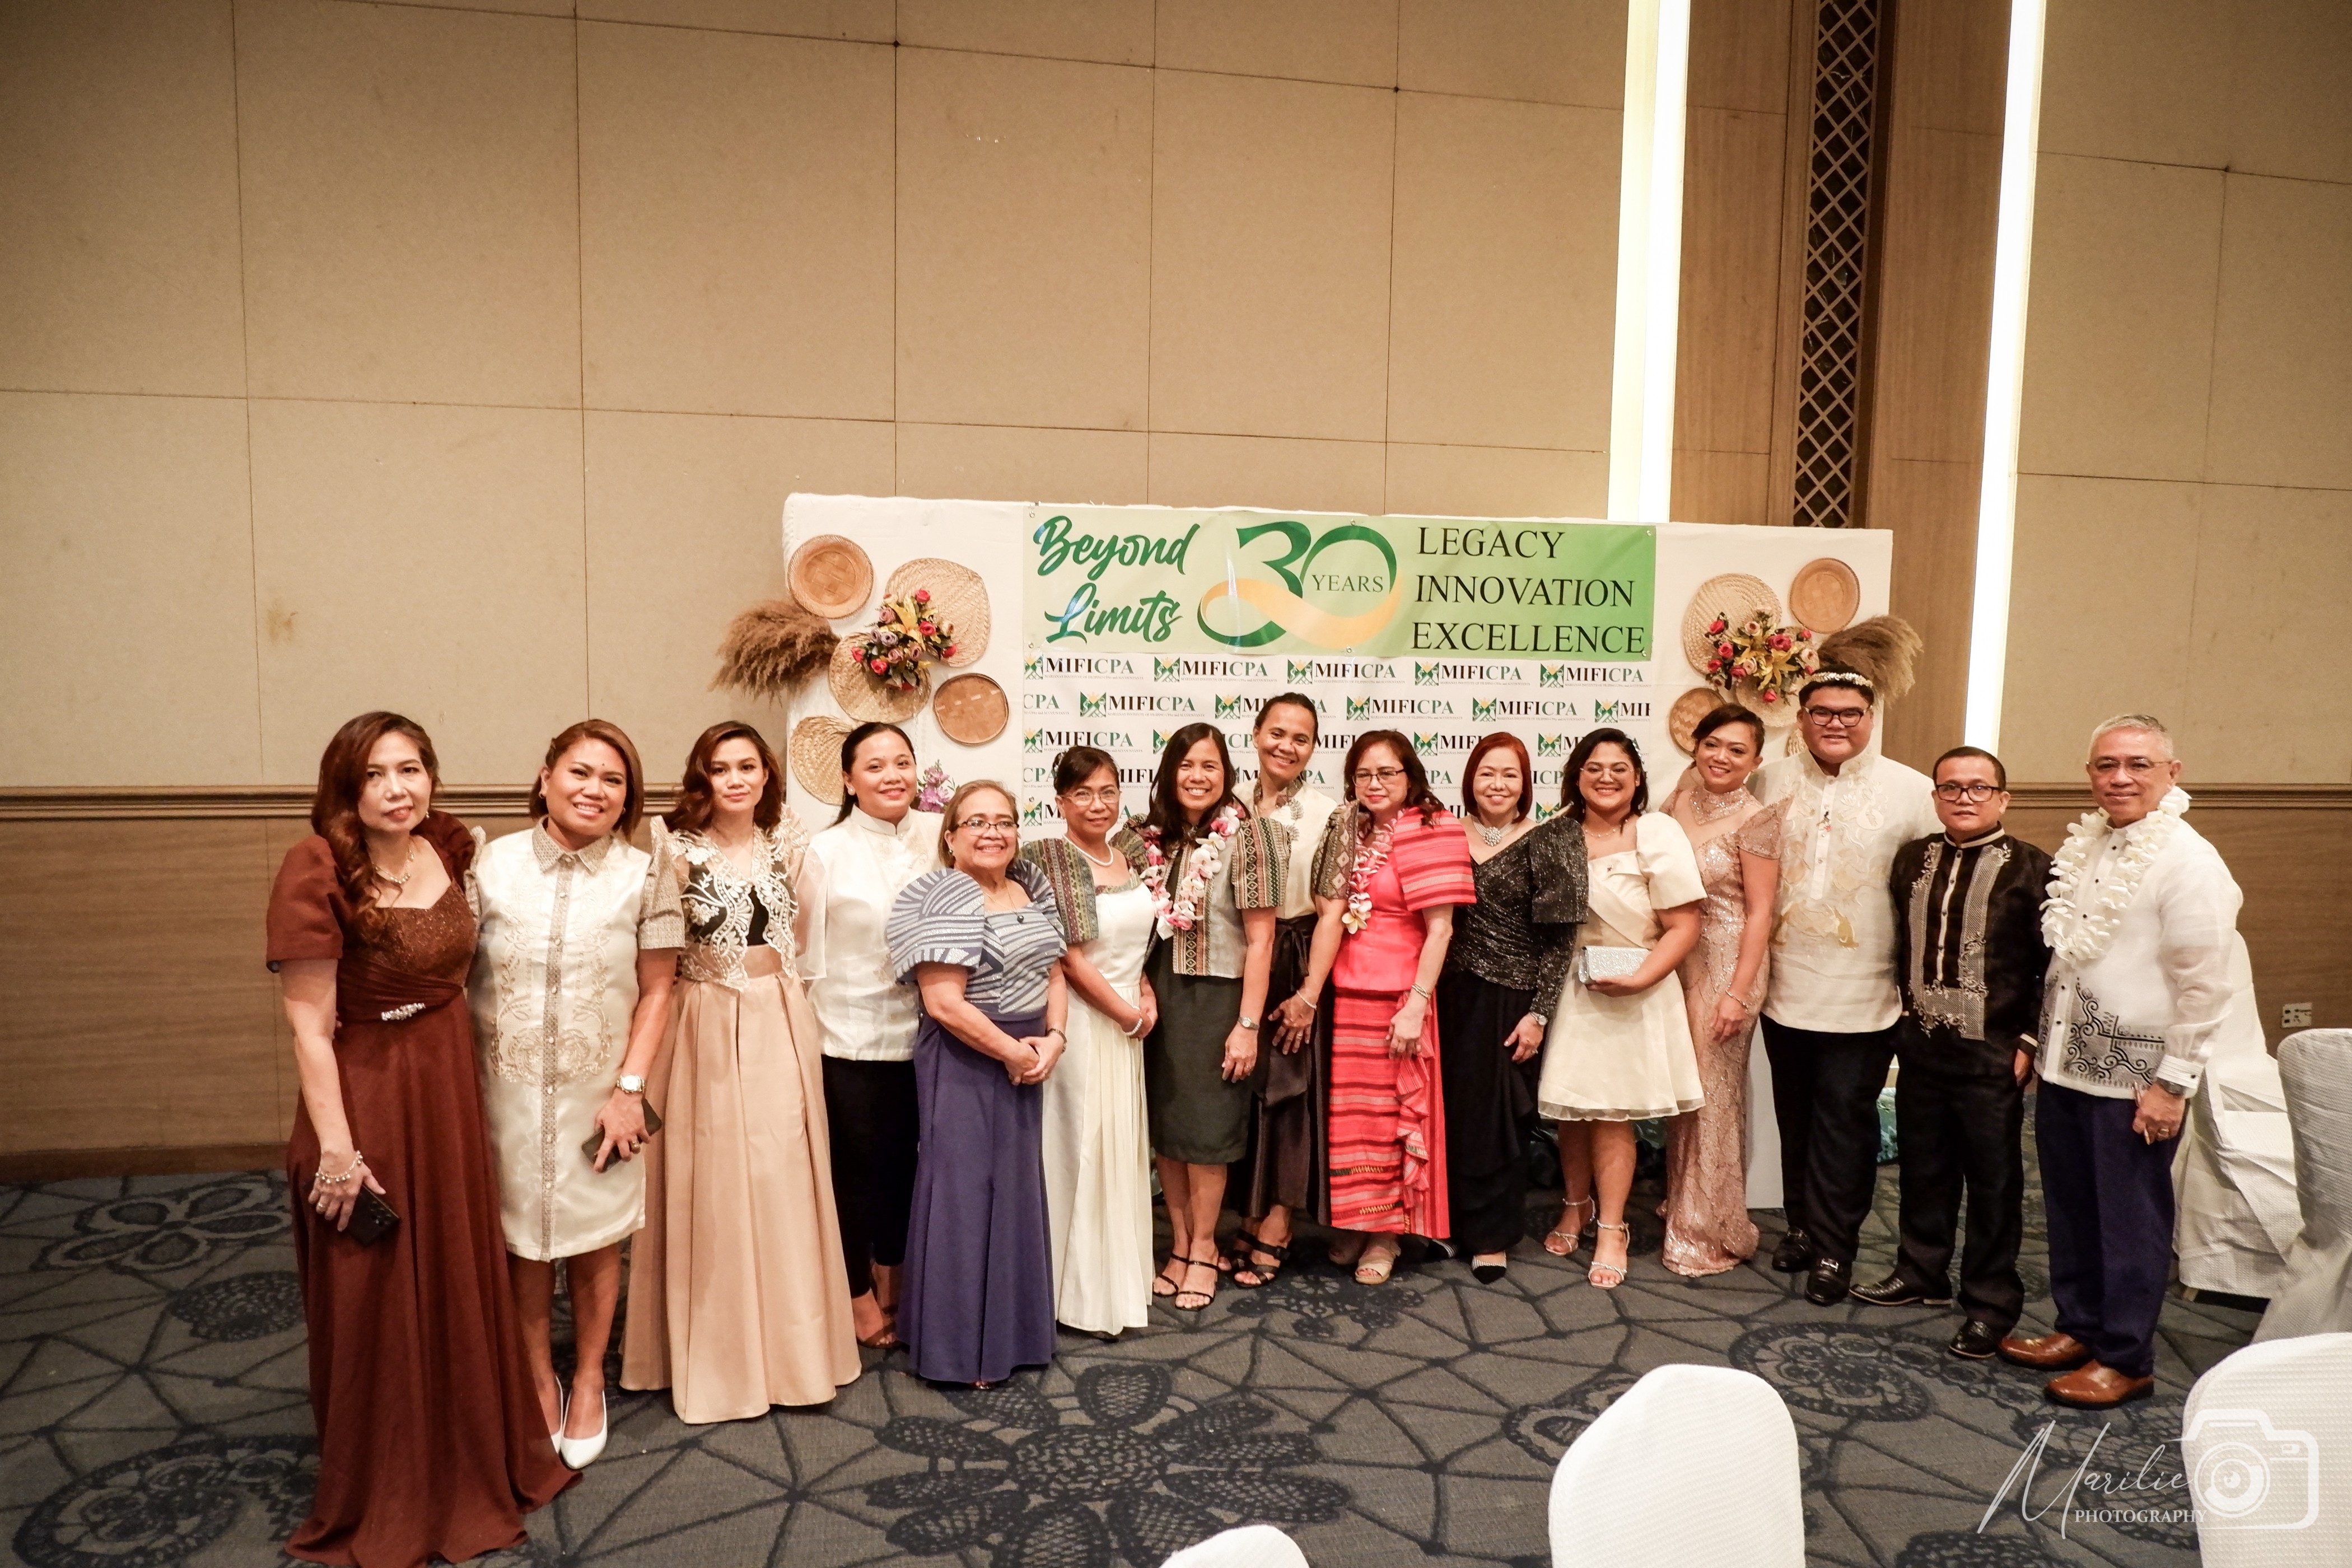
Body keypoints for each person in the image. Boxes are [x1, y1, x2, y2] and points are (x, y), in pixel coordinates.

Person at [267, 713, 571, 1566]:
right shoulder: (318, 866)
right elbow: (307, 1025)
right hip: (367, 1095)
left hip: (445, 1086)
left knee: (451, 1269)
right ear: (346, 787)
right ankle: (389, 1484)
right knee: (375, 1293)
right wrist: (337, 1148)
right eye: (376, 775)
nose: (398, 789)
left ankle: (469, 1451)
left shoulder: (448, 844)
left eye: (412, 769)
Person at [2001, 716, 2243, 1408]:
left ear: (2174, 771)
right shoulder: (2091, 846)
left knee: (2131, 1219)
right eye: (2106, 765)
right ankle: (2079, 1326)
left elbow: (2205, 988)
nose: (2120, 778)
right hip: (2068, 1062)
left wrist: (2173, 1086)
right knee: (2072, 1207)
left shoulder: (2190, 863)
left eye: (2138, 764)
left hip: (2138, 1079)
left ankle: (2127, 1356)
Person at [620, 722, 859, 1420]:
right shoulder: (672, 848)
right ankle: (714, 1353)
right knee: (714, 1179)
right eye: (720, 768)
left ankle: (794, 1353)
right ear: (703, 777)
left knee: (783, 1175)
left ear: (765, 774)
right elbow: (656, 948)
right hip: (701, 1023)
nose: (735, 779)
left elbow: (805, 936)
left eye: (747, 766)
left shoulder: (790, 844)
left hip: (779, 1018)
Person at [469, 719, 680, 1470]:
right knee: (520, 1237)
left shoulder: (645, 873)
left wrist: (631, 1089)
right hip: (506, 1090)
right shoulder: (486, 866)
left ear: (629, 798)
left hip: (603, 1092)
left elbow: (659, 990)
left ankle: (588, 1375)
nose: (595, 790)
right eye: (581, 773)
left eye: (614, 780)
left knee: (596, 1237)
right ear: (545, 775)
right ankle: (535, 1374)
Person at [1850, 745, 2050, 1362]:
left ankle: (1991, 1302)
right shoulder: (1912, 859)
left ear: (2003, 798)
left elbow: (2056, 966)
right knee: (1924, 1166)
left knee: (1994, 1181)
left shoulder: (2035, 870)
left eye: (1979, 787)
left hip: (1994, 1051)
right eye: (1952, 787)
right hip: (1921, 1045)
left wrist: (2030, 1041)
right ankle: (1921, 1271)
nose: (1964, 797)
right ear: (1936, 797)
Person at [1750, 669, 1939, 1305]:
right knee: (1795, 1116)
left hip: (1867, 994)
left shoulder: (1913, 792)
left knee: (1845, 1124)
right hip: (1784, 988)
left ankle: (1836, 1249)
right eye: (1822, 712)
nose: (1836, 722)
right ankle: (1802, 1227)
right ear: (1802, 718)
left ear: (1872, 717)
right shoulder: (1769, 781)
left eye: (1850, 712)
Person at [887, 782, 1070, 1387]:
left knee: (1013, 1195)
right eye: (977, 822)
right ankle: (960, 1349)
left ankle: (1011, 1336)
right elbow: (944, 1004)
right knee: (964, 1201)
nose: (993, 832)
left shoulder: (1030, 885)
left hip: (1026, 1053)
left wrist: (1055, 1037)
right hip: (969, 1059)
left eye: (1005, 822)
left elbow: (1054, 969)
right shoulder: (946, 893)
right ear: (951, 837)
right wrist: (1011, 1052)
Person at [1290, 731, 1475, 1285]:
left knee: (1395, 1120)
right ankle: (1355, 1221)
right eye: (1364, 775)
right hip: (1348, 992)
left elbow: (1441, 929)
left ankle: (1386, 1235)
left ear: (1410, 775)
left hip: (1401, 997)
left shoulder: (1434, 828)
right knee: (1355, 1122)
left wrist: (1417, 1004)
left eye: (1388, 773)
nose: (1376, 784)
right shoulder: (1352, 828)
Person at [1536, 729, 1706, 1290]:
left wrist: (1640, 978)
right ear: (1576, 778)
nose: (1606, 777)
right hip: (1575, 989)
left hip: (1639, 989)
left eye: (1619, 768)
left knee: (1612, 1115)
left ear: (1637, 778)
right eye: (1593, 768)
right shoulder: (1556, 834)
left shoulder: (1656, 831)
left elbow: (1684, 926)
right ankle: (1574, 1204)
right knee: (1572, 1110)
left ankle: (1612, 1227)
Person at [796, 722, 943, 1352]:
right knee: (854, 1173)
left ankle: (897, 1273)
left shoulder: (939, 841)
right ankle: (855, 1291)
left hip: (931, 1037)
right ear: (849, 780)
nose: (892, 775)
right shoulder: (821, 853)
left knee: (910, 1167)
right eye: (876, 765)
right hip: (847, 1038)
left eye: (903, 762)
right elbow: (803, 959)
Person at [1135, 723, 1285, 1311]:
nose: (1197, 776)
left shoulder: (1251, 838)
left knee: (1209, 1137)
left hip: (1220, 1000)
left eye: (1210, 766)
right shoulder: (1150, 840)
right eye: (1186, 765)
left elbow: (1262, 941)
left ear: (1227, 775)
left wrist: (1248, 1025)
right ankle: (1176, 1244)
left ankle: (1204, 1248)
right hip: (1160, 1001)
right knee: (1170, 1136)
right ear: (1170, 773)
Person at [1018, 746, 1157, 1337]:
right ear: (1060, 802)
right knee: (1078, 1147)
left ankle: (1115, 1286)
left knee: (1120, 1150)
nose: (1097, 804)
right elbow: (1070, 959)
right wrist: (1127, 1013)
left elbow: (1140, 939)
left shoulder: (1132, 854)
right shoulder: (1047, 859)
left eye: (1108, 791)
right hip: (1083, 1017)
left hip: (1130, 1017)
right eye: (1083, 794)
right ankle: (1066, 1294)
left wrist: (1145, 994)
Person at [1436, 732, 1585, 1281]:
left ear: (1526, 785)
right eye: (1487, 773)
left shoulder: (1549, 839)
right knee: (1448, 1113)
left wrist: (1539, 1013)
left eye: (1510, 775)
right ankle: (1448, 1224)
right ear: (1470, 779)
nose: (1497, 785)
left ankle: (1492, 1236)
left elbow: (1560, 940)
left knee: (1498, 1119)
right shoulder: (1445, 834)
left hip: (1511, 999)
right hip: (1448, 995)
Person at [1657, 705, 1784, 1277]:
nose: (1722, 757)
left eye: (1737, 750)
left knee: (1713, 1096)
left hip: (1730, 962)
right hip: (1677, 960)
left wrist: (1739, 993)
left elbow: (1761, 913)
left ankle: (1708, 1228)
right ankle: (1684, 1199)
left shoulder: (1758, 818)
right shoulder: (1678, 799)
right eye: (1713, 744)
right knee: (1683, 1091)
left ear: (1756, 761)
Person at [1234, 693, 1343, 1289]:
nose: (1287, 746)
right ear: (1255, 733)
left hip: (1296, 958)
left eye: (1301, 738)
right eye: (1277, 732)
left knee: (1291, 1097)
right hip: (1237, 961)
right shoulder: (1228, 804)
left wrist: (1309, 994)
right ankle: (1249, 1209)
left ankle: (1279, 1219)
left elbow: (1332, 911)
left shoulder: (1329, 814)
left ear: (1312, 749)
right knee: (1246, 1095)